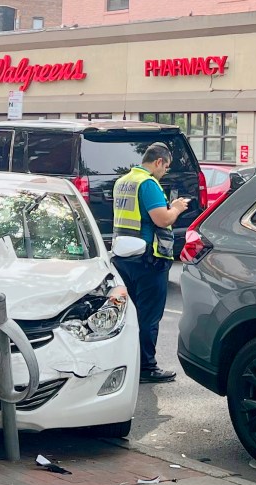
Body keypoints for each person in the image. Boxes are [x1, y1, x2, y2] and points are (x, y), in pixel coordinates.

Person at [110, 143, 189, 384]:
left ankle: (128, 363)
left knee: (128, 314)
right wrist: (175, 208)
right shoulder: (148, 184)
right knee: (149, 316)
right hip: (149, 258)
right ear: (158, 162)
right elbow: (162, 219)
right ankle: (147, 366)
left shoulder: (123, 181)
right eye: (166, 166)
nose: (165, 171)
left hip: (124, 257)